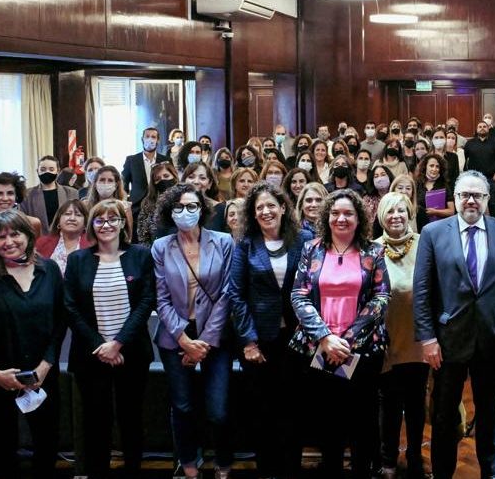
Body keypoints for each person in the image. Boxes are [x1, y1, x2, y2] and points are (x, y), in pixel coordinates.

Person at [413, 170, 495, 479]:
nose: (471, 200)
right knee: (445, 414)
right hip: (448, 341)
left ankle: (490, 471)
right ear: (456, 198)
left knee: (490, 412)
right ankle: (443, 472)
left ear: (488, 199)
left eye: (478, 195)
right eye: (465, 195)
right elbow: (423, 290)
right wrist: (427, 338)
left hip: (493, 337)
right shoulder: (433, 233)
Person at [288, 189, 390, 478]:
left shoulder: (374, 252)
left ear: (359, 219)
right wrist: (325, 338)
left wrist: (346, 340)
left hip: (361, 351)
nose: (341, 218)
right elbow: (298, 295)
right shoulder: (311, 249)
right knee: (327, 421)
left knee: (362, 421)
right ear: (326, 217)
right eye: (335, 213)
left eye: (348, 213)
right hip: (319, 349)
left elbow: (381, 297)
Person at [64, 200, 156, 478]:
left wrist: (117, 343)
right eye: (99, 220)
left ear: (122, 223)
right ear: (91, 225)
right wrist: (100, 345)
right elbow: (70, 307)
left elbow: (146, 300)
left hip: (131, 352)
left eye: (112, 219)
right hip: (91, 355)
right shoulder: (78, 259)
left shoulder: (140, 255)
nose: (106, 225)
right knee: (96, 422)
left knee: (131, 420)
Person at [226, 182, 312, 478]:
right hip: (259, 341)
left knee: (293, 408)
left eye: (271, 205)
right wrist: (248, 341)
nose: (265, 211)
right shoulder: (245, 245)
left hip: (297, 338)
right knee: (262, 410)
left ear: (284, 207)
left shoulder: (304, 239)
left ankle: (291, 469)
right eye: (259, 207)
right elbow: (235, 295)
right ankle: (267, 470)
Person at [151, 184, 235, 479]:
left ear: (202, 209)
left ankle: (223, 466)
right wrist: (185, 341)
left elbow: (227, 294)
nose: (185, 212)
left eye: (191, 206)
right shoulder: (161, 246)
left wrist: (205, 342)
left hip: (216, 335)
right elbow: (160, 299)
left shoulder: (224, 241)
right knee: (183, 407)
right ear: (168, 212)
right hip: (176, 335)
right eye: (178, 207)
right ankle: (188, 466)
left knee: (219, 409)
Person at [0, 210, 64, 478]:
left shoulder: (49, 270)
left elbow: (60, 323)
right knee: (2, 450)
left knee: (46, 447)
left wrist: (46, 365)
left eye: (15, 234)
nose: (9, 241)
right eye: (0, 236)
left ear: (29, 236)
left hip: (42, 377)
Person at [374, 192, 429, 479]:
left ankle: (415, 455)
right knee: (390, 404)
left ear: (410, 213)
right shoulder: (372, 249)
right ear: (381, 216)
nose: (396, 215)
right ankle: (388, 461)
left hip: (419, 339)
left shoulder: (424, 244)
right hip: (386, 340)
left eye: (401, 210)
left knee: (416, 402)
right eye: (389, 211)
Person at [0, 172, 43, 263]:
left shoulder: (32, 223)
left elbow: (36, 256)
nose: (5, 198)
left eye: (10, 193)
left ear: (16, 197)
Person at [122, 126, 172, 225]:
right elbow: (124, 183)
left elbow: (170, 183)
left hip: (160, 205)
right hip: (137, 206)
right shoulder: (131, 160)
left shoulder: (166, 160)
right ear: (142, 139)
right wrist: (125, 201)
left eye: (153, 137)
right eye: (147, 136)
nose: (150, 139)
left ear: (158, 140)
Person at [21, 155, 80, 234]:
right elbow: (22, 222)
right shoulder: (27, 194)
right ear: (37, 171)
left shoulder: (72, 193)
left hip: (66, 238)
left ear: (58, 171)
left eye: (51, 169)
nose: (47, 172)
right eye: (43, 169)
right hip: (37, 240)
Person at [463, 121, 495, 218]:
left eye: (484, 126)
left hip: (491, 178)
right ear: (476, 129)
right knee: (475, 202)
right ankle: (476, 220)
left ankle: (494, 222)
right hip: (474, 179)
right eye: (480, 127)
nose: (482, 128)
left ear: (488, 129)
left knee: (492, 203)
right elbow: (466, 160)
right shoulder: (470, 144)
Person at [34, 199, 90, 274]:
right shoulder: (41, 243)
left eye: (78, 215)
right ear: (58, 220)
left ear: (85, 223)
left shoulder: (93, 245)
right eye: (67, 214)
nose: (72, 218)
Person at [135, 162, 179, 245]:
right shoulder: (148, 203)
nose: (162, 180)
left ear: (174, 176)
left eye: (166, 176)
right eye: (158, 179)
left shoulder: (185, 199)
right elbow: (142, 234)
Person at [414, 154, 454, 231]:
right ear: (425, 167)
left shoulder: (444, 186)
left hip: (439, 227)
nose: (434, 169)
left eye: (437, 166)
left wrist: (435, 212)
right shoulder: (417, 184)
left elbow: (451, 211)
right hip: (420, 226)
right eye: (431, 166)